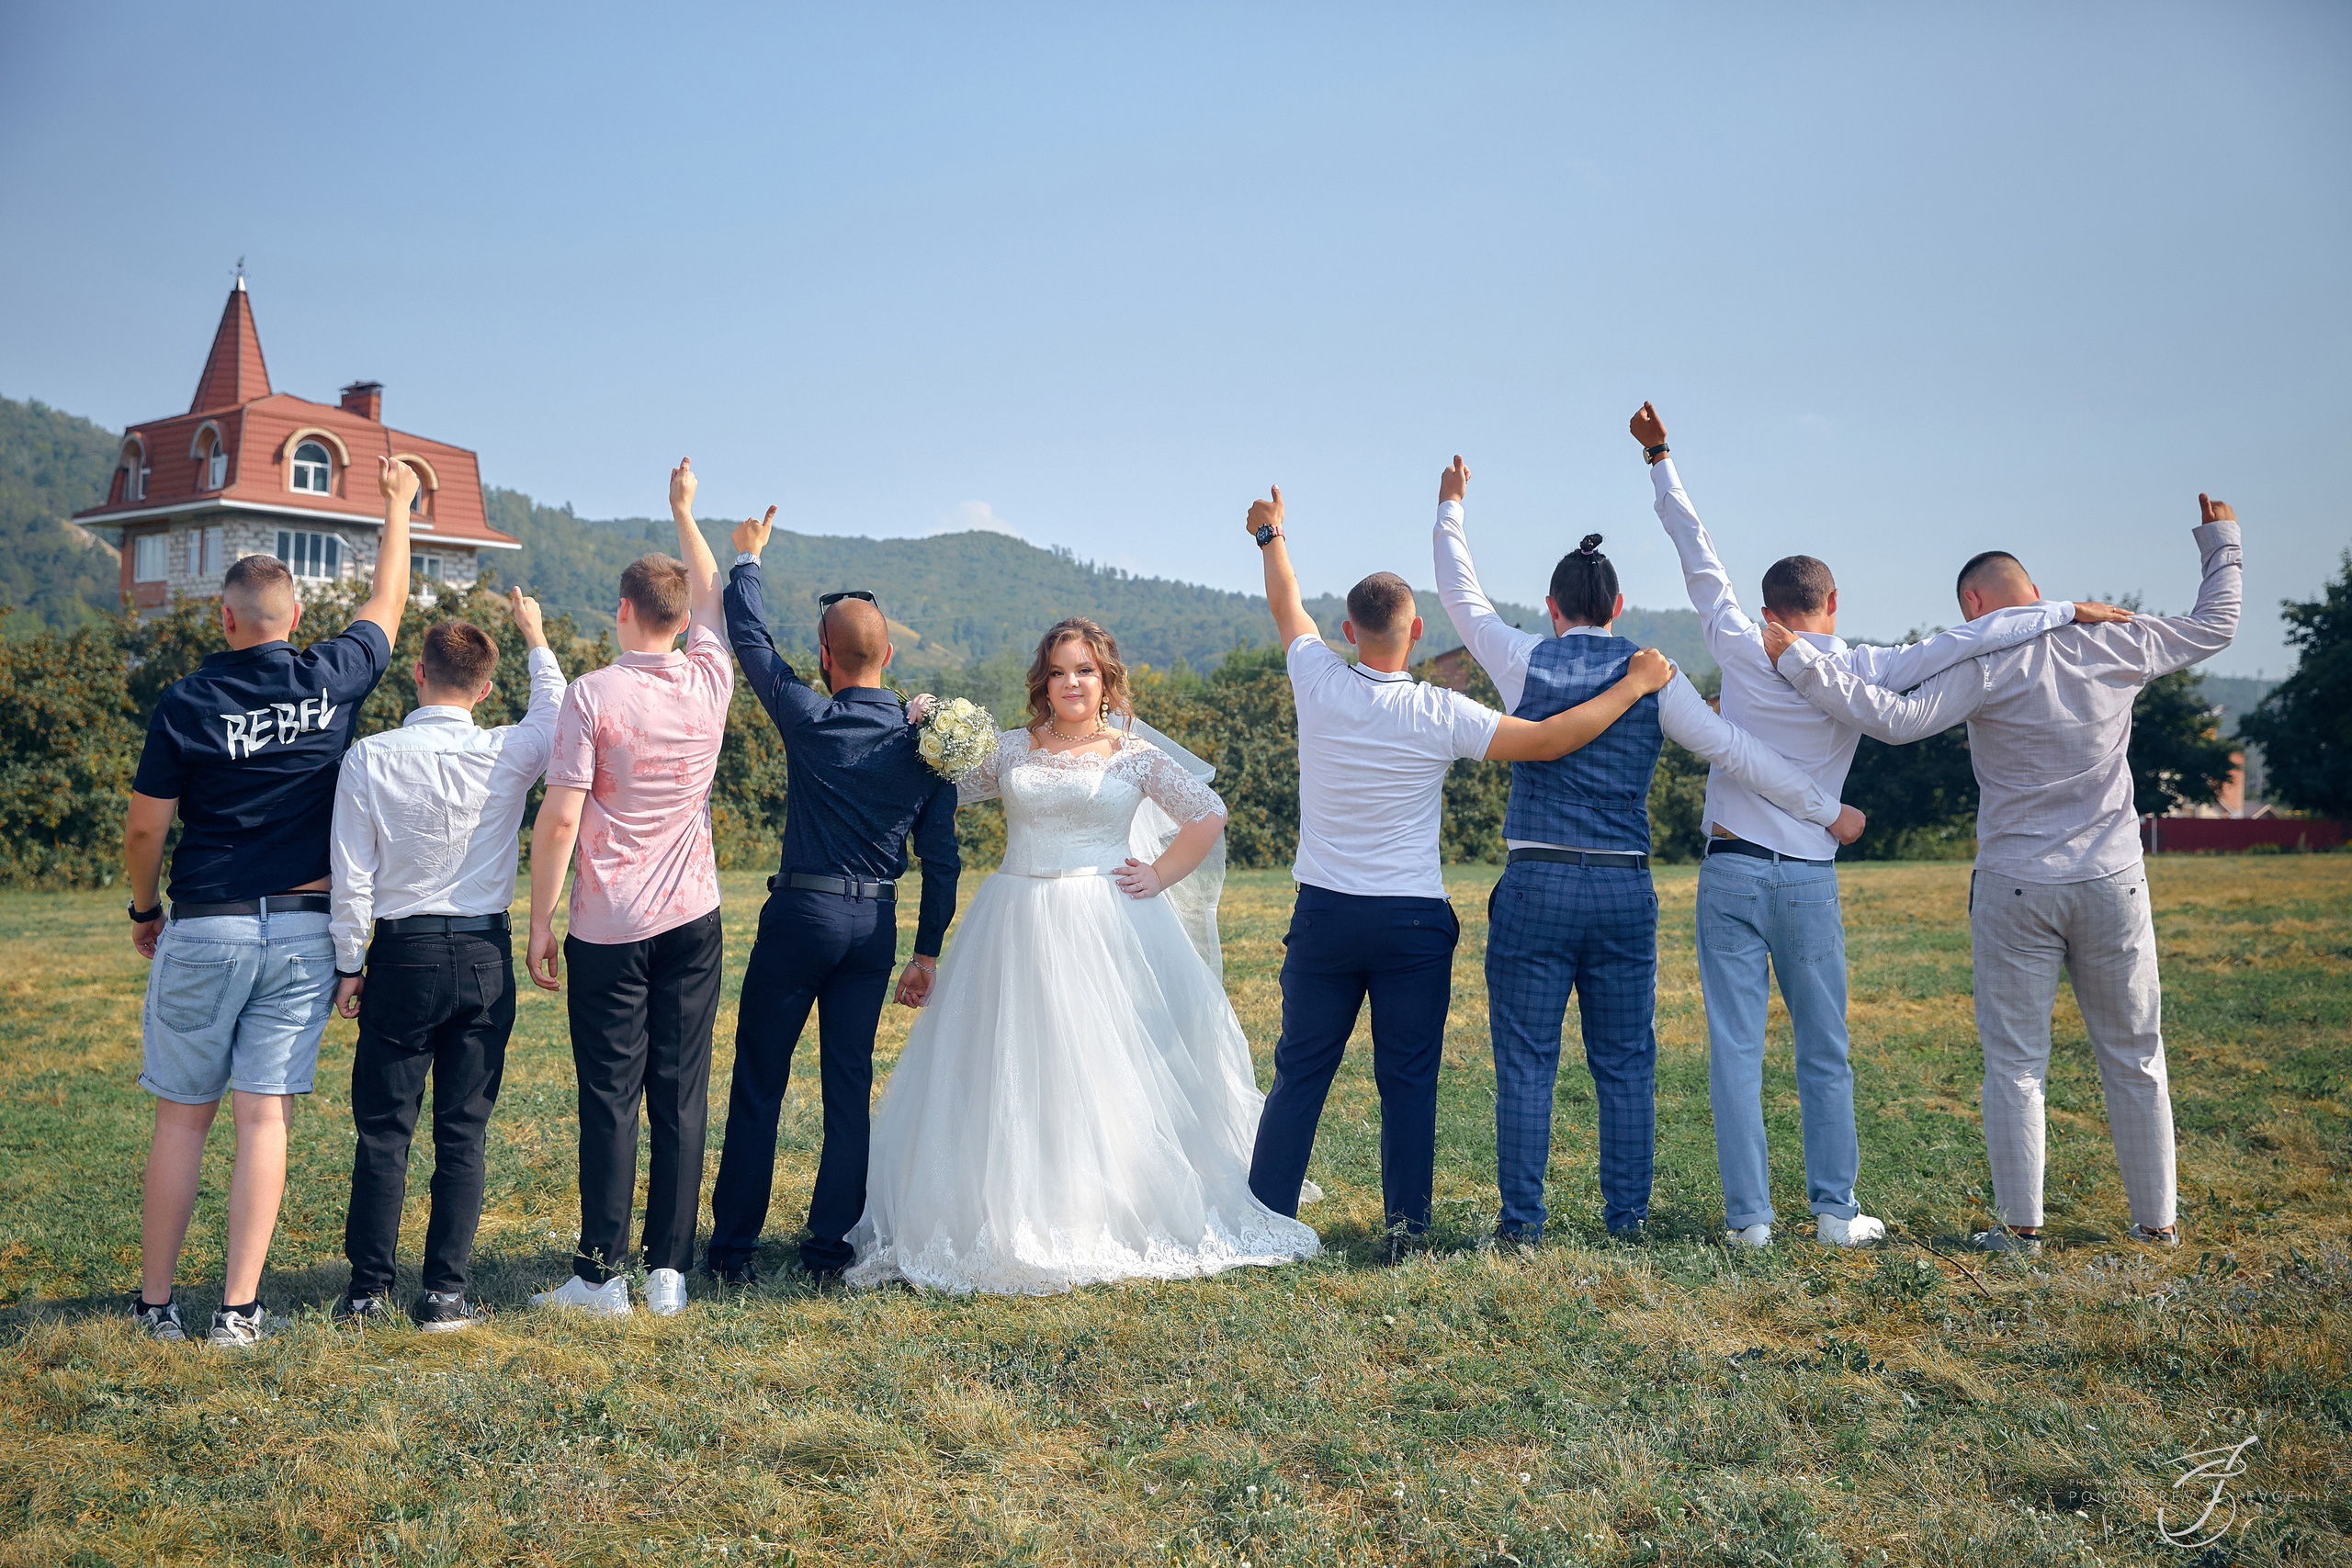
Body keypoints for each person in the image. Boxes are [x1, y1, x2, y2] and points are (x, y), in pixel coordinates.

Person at [1629, 402, 2132, 1248]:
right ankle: (1833, 1211)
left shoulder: (1741, 640)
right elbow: (1963, 637)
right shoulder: (1864, 665)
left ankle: (1750, 1221)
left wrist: (1660, 458)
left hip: (1729, 869)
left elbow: (1695, 549)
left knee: (1734, 1053)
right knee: (1825, 1049)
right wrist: (2061, 610)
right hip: (1807, 880)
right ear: (1834, 602)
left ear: (1770, 604)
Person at [1760, 493, 2242, 1255]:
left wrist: (1795, 662)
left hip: (2017, 882)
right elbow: (2216, 623)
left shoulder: (1987, 659)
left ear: (1976, 605)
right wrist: (2223, 543)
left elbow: (1891, 717)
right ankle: (2158, 1223)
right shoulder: (2116, 640)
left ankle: (2022, 1227)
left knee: (2016, 1063)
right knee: (2137, 1055)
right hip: (2114, 875)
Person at [1432, 455, 1870, 1243]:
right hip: (1623, 889)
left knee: (1527, 1062)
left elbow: (1460, 596)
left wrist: (1451, 508)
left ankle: (1523, 1224)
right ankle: (1626, 1217)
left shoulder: (1523, 656)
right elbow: (1740, 753)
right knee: (1626, 1063)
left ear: (1552, 608)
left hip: (1535, 879)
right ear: (1619, 604)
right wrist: (1827, 808)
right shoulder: (1657, 677)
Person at [1243, 486, 1679, 1261]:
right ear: (1415, 632)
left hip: (1324, 916)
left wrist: (1271, 534)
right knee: (1407, 1078)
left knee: (1299, 1068)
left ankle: (1266, 1215)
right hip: (1410, 920)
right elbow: (1548, 741)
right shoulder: (1441, 713)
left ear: (1349, 631)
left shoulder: (1316, 676)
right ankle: (1406, 1231)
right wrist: (1634, 685)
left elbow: (1286, 605)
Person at [845, 617, 1318, 1293]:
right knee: (1010, 1064)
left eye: (1085, 670)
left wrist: (1157, 874)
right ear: (1044, 680)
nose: (1072, 682)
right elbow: (938, 780)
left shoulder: (1131, 753)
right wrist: (929, 722)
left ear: (1106, 679)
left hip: (1105, 922)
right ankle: (1003, 1202)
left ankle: (1100, 1199)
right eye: (1061, 670)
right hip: (1015, 918)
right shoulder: (1010, 749)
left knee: (1098, 1066)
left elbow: (1208, 812)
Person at [123, 456, 420, 1345]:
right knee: (264, 1118)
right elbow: (388, 608)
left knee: (183, 1119)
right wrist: (397, 507)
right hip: (301, 931)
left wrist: (145, 912)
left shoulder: (186, 700)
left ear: (225, 619)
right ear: (294, 619)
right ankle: (239, 1312)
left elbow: (145, 831)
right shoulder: (332, 674)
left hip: (207, 921)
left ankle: (155, 1306)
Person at [703, 508, 961, 1286]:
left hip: (800, 916)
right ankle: (827, 1250)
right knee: (847, 1087)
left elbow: (750, 644)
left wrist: (747, 561)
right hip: (874, 925)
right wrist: (925, 950)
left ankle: (733, 1252)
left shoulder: (809, 716)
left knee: (760, 1083)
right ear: (888, 655)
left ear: (825, 656)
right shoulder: (930, 744)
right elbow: (942, 862)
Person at [526, 460, 733, 1316]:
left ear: (621, 611)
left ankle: (599, 1275)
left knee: (609, 1096)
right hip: (694, 914)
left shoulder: (589, 694)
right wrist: (686, 512)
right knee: (681, 1091)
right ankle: (668, 1273)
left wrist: (539, 918)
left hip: (610, 925)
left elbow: (563, 818)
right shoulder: (710, 677)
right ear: (680, 620)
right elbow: (715, 590)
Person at [327, 590, 565, 1331]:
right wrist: (536, 634)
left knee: (384, 1130)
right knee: (464, 1130)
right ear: (486, 689)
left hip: (403, 953)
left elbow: (352, 874)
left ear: (418, 674)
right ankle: (446, 1293)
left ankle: (368, 1290)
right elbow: (553, 713)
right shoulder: (508, 748)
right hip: (486, 954)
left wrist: (348, 962)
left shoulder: (369, 756)